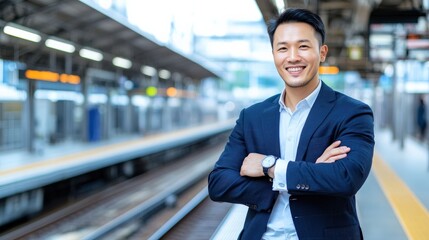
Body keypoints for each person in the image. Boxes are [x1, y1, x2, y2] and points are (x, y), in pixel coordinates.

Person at [208, 8, 375, 240]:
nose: (293, 57)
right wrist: (310, 175)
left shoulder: (352, 113)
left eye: (303, 46)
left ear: (322, 52)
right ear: (274, 54)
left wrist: (270, 168)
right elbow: (219, 184)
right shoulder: (252, 117)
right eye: (283, 48)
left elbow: (346, 178)